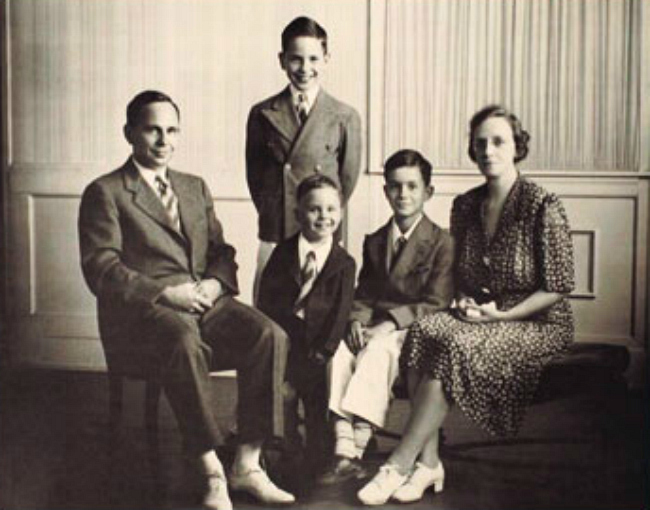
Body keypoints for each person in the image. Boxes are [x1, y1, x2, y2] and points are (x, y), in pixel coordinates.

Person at [78, 91, 295, 510]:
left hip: (202, 300)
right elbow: (100, 267)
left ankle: (247, 464)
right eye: (152, 129)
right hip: (145, 314)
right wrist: (164, 292)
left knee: (270, 334)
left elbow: (221, 250)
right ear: (129, 133)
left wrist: (214, 285)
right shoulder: (105, 192)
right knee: (180, 338)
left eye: (172, 130)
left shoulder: (193, 187)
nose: (164, 140)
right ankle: (211, 469)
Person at [357, 105, 576, 505]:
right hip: (481, 314)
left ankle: (400, 465)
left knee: (454, 346)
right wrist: (464, 300)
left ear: (517, 147)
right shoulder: (466, 205)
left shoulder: (542, 204)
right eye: (481, 143)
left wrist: (504, 314)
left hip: (536, 320)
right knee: (424, 330)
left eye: (498, 141)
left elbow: (559, 287)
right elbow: (461, 275)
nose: (489, 150)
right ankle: (431, 463)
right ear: (472, 151)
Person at [321, 149, 454, 485]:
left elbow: (437, 301)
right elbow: (364, 292)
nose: (403, 195)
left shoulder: (442, 242)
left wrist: (389, 323)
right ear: (385, 191)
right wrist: (356, 321)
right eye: (395, 187)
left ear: (428, 192)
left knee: (380, 351)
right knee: (338, 349)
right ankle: (343, 440)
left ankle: (360, 441)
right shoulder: (376, 240)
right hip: (374, 324)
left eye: (412, 186)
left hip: (414, 328)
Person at [246, 16, 362, 302]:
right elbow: (255, 176)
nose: (305, 68)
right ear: (282, 60)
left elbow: (347, 179)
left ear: (326, 59)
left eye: (313, 58)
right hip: (277, 225)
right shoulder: (262, 113)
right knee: (271, 303)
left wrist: (323, 212)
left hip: (322, 223)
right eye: (296, 59)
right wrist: (274, 207)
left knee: (321, 302)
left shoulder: (344, 116)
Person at [258, 174, 356, 484]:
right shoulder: (283, 254)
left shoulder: (344, 263)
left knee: (317, 404)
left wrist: (324, 352)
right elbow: (266, 302)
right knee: (283, 397)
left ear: (340, 213)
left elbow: (340, 314)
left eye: (331, 209)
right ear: (299, 213)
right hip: (286, 342)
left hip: (318, 348)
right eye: (314, 209)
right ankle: (286, 449)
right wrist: (276, 346)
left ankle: (317, 458)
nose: (323, 217)